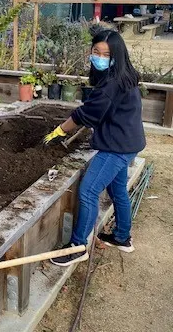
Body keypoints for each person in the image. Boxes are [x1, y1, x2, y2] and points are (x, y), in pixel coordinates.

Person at [44, 29, 145, 266]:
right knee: (117, 190)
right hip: (129, 141)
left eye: (105, 53)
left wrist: (60, 130)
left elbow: (86, 113)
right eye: (96, 51)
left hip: (117, 147)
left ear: (116, 55)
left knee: (88, 191)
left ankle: (78, 246)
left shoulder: (112, 84)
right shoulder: (123, 75)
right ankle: (122, 238)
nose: (99, 56)